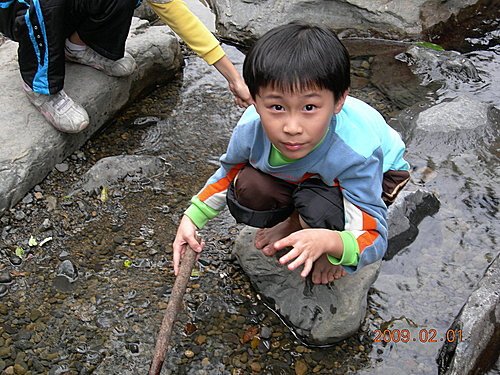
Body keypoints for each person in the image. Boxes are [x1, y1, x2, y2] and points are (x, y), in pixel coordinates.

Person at [172, 22, 410, 285]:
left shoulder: (356, 153)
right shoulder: (250, 128)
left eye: (309, 107)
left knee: (321, 208)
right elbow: (228, 174)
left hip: (384, 172)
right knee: (250, 187)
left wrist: (331, 242)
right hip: (310, 172)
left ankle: (312, 231)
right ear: (254, 100)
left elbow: (374, 238)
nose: (292, 128)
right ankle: (297, 220)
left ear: (339, 101)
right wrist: (190, 219)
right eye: (276, 106)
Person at [0, 0, 251, 133]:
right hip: (19, 10)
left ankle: (74, 47)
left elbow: (177, 14)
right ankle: (41, 87)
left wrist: (233, 77)